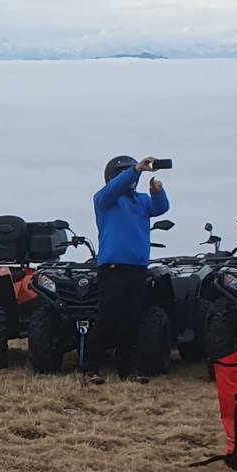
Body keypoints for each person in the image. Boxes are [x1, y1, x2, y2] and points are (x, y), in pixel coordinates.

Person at [89, 155, 170, 383]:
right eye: (124, 172)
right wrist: (135, 170)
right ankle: (91, 369)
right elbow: (116, 188)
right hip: (113, 266)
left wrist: (157, 191)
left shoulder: (141, 201)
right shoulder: (104, 199)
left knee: (131, 319)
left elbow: (161, 208)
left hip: (137, 267)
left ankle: (127, 371)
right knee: (107, 317)